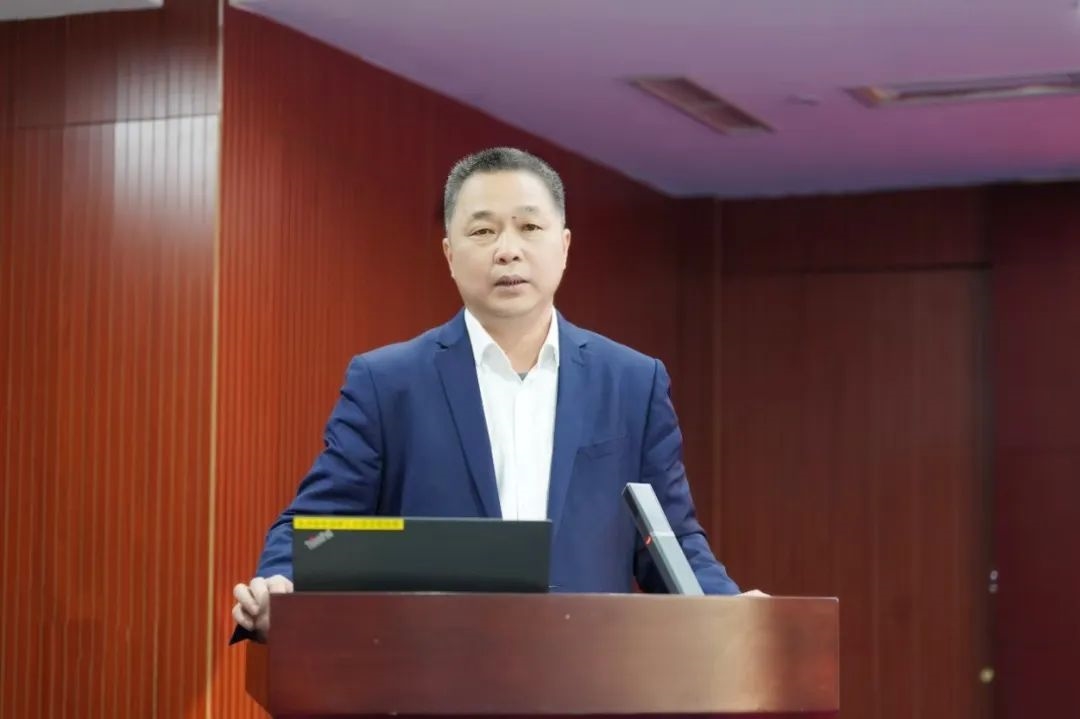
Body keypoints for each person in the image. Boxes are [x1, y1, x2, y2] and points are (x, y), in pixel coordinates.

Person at [232, 147, 758, 642]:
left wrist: (735, 611)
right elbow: (316, 529)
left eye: (529, 227)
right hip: (433, 672)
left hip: (587, 674)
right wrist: (280, 584)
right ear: (449, 254)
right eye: (483, 231)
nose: (508, 250)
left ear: (564, 246)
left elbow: (670, 541)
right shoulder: (388, 382)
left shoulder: (632, 382)